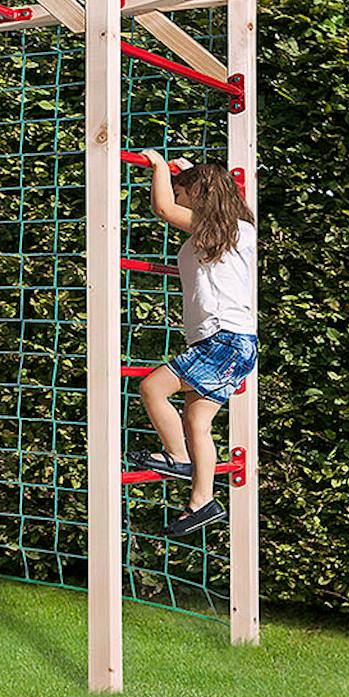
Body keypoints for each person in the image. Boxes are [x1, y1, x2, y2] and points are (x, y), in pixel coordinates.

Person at [128, 154, 257, 537]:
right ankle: (203, 501)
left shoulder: (221, 229)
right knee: (197, 422)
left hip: (223, 340)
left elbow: (164, 208)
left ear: (199, 195)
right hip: (235, 342)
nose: (178, 199)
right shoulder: (237, 229)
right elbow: (192, 195)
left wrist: (156, 168)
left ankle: (176, 455)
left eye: (184, 192)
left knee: (152, 387)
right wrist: (184, 172)